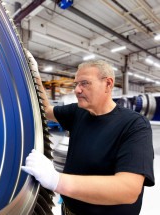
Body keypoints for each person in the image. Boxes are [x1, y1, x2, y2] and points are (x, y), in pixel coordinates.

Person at [22, 49, 155, 215]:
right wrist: (34, 73)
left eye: (84, 83)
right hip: (69, 210)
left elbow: (128, 189)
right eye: (76, 84)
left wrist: (57, 181)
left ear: (108, 84)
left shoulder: (134, 125)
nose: (77, 90)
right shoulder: (79, 112)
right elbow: (46, 110)